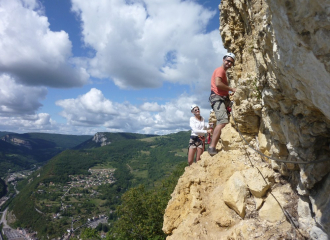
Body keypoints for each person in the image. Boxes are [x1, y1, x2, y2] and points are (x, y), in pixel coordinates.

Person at [207, 53, 236, 156]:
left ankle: (213, 144)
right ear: (223, 59)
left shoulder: (223, 71)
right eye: (227, 60)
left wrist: (228, 93)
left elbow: (220, 87)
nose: (229, 63)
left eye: (231, 62)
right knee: (223, 121)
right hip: (217, 98)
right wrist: (232, 89)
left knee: (224, 119)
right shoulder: (220, 70)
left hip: (221, 98)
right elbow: (218, 84)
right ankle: (212, 147)